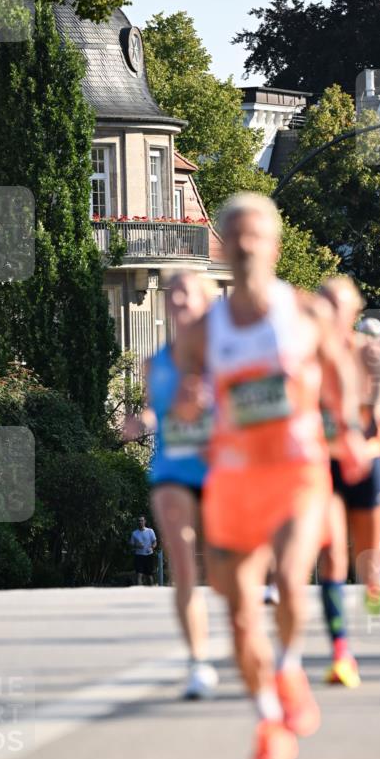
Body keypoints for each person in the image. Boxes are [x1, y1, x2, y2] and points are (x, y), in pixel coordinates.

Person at [175, 192, 369, 759]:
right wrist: (189, 403)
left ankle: (286, 666)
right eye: (233, 235)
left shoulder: (305, 312)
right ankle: (268, 718)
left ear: (275, 244)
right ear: (224, 246)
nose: (244, 244)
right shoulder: (203, 332)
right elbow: (186, 401)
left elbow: (340, 371)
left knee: (289, 578)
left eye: (254, 234)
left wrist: (351, 428)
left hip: (297, 471)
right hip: (234, 481)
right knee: (237, 613)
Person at [124, 272, 218, 700]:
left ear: (206, 301)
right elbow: (154, 413)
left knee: (228, 572)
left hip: (221, 471)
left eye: (187, 294)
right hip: (172, 470)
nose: (178, 300)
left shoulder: (225, 356)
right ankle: (198, 662)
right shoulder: (155, 363)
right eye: (172, 294)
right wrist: (137, 424)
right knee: (183, 567)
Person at [316, 284, 380, 690]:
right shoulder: (307, 352)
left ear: (353, 309)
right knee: (331, 552)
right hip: (324, 460)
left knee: (369, 554)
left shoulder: (368, 349)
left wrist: (368, 424)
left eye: (337, 303)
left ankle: (374, 587)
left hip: (366, 456)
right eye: (322, 301)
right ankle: (340, 651)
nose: (328, 309)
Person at [130, 516, 157, 586]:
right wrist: (137, 546)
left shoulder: (150, 531)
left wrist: (152, 547)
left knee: (149, 576)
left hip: (149, 556)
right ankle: (139, 593)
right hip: (139, 556)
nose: (140, 522)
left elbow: (154, 542)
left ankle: (152, 592)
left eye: (142, 520)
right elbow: (131, 545)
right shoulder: (134, 533)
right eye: (139, 521)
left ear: (145, 521)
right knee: (139, 575)